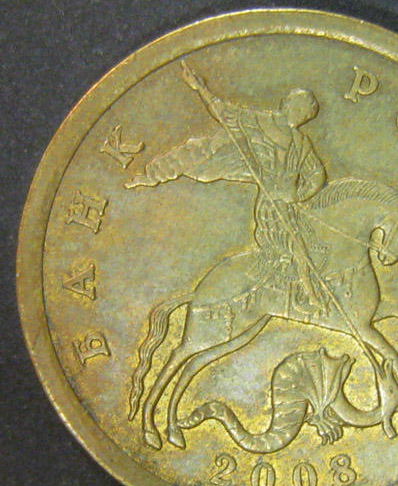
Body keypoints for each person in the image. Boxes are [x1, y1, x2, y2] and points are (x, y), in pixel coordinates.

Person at [126, 62, 328, 311]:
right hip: (270, 206)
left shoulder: (301, 142)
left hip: (290, 205)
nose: (303, 117)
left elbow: (316, 173)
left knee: (314, 242)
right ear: (288, 105)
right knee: (293, 245)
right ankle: (303, 295)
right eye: (302, 110)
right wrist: (200, 88)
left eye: (307, 115)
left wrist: (297, 195)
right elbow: (223, 111)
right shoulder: (258, 122)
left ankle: (297, 289)